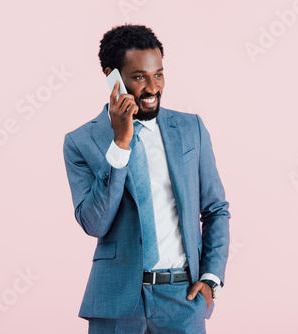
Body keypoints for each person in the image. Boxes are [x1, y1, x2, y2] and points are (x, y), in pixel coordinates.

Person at [63, 24, 230, 333]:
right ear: (112, 76)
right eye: (139, 77)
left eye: (158, 74)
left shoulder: (191, 129)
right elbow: (94, 223)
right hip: (116, 303)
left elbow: (216, 209)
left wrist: (211, 279)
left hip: (182, 298)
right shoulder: (81, 141)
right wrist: (120, 144)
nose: (152, 88)